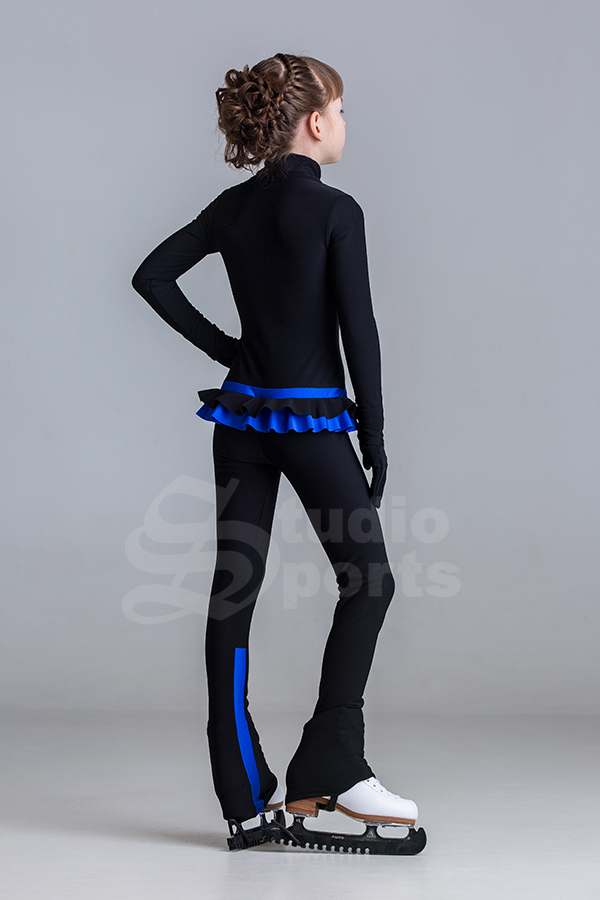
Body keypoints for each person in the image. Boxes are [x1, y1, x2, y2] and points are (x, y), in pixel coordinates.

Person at [131, 52, 424, 854]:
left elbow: (152, 276)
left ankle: (241, 796)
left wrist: (230, 350)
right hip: (312, 425)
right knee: (370, 580)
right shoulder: (336, 210)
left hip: (240, 419)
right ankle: (333, 761)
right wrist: (374, 433)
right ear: (316, 120)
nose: (346, 123)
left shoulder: (233, 208)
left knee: (234, 596)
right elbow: (358, 329)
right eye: (343, 110)